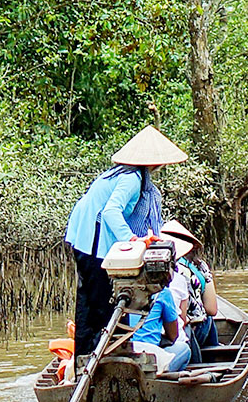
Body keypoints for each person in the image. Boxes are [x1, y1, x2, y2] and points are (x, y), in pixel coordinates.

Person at [62, 125, 189, 351]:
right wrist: (132, 240)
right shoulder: (131, 179)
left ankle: (89, 355)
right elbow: (111, 211)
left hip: (82, 236)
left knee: (89, 302)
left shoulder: (123, 174)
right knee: (101, 303)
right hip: (93, 241)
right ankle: (97, 357)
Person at [159, 220, 221, 362]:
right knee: (208, 319)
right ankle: (212, 360)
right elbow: (212, 309)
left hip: (160, 331)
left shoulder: (149, 268)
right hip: (186, 330)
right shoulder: (198, 266)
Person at [126, 283, 192, 372]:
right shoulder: (162, 292)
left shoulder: (114, 291)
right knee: (184, 348)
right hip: (147, 355)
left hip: (115, 350)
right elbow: (173, 335)